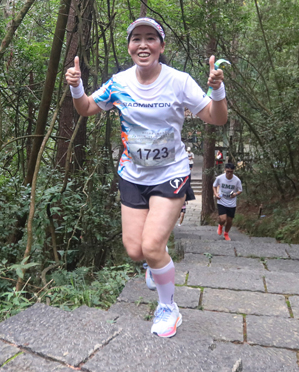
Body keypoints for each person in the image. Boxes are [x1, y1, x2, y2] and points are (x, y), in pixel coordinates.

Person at [65, 17, 227, 338]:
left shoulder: (178, 81)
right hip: (133, 174)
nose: (143, 44)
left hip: (171, 173)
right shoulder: (119, 83)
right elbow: (85, 108)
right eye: (136, 38)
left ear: (161, 46)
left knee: (153, 247)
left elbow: (216, 118)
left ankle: (168, 307)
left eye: (150, 38)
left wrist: (218, 89)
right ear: (129, 47)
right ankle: (154, 266)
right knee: (135, 251)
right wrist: (76, 86)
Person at [213, 163, 242, 241]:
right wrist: (216, 194)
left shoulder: (237, 180)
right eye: (228, 171)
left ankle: (226, 233)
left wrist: (235, 194)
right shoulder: (220, 178)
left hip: (231, 203)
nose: (229, 173)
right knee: (223, 219)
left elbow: (240, 190)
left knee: (229, 220)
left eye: (231, 172)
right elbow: (214, 186)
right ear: (225, 170)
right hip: (221, 201)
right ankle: (220, 225)